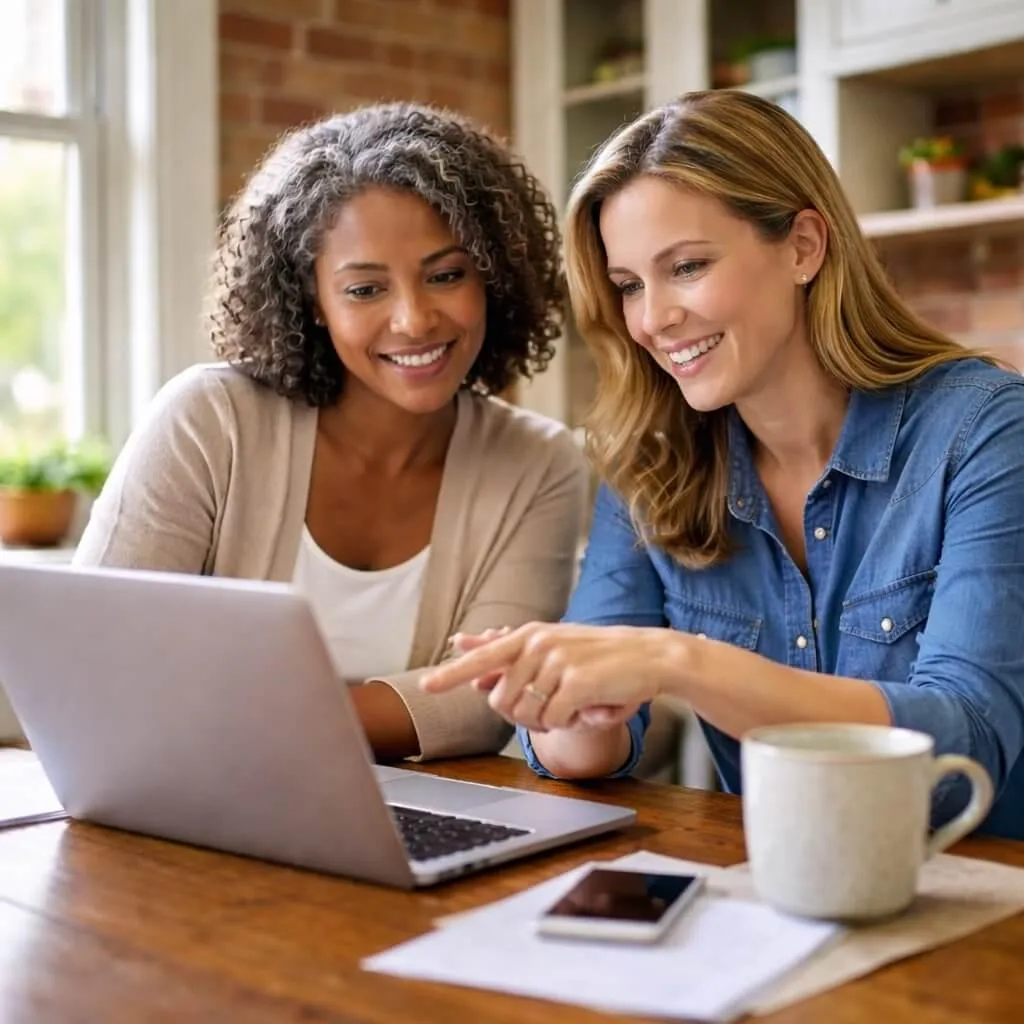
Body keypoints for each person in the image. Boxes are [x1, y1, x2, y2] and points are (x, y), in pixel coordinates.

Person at [420, 89, 1024, 840]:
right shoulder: (650, 460)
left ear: (804, 246)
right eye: (630, 285)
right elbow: (584, 755)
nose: (654, 318)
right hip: (781, 892)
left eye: (689, 266)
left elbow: (967, 744)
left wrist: (680, 661)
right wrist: (556, 704)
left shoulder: (985, 430)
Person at [75, 102, 587, 764]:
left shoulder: (539, 463)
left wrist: (238, 722)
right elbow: (98, 650)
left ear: (492, 277)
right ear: (311, 300)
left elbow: (482, 701)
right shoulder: (211, 421)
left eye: (446, 275)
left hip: (406, 825)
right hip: (181, 800)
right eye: (366, 290)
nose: (414, 319)